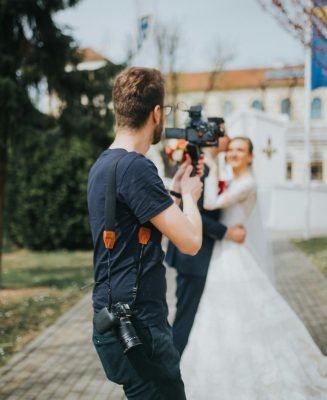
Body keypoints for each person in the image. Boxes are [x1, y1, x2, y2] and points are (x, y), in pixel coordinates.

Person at [87, 67, 204, 400]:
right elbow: (191, 242)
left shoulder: (104, 165)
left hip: (111, 321)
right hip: (140, 327)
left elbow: (141, 225)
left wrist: (177, 193)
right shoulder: (137, 167)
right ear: (156, 113)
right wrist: (192, 200)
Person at [181, 137, 327, 399]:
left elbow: (212, 202)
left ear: (250, 156)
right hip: (224, 251)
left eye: (240, 150)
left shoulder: (247, 183)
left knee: (236, 311)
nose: (234, 154)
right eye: (232, 149)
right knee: (224, 315)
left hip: (234, 255)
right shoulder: (235, 179)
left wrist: (211, 163)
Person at [165, 128, 246, 355]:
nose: (229, 137)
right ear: (213, 137)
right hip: (193, 257)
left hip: (204, 254)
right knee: (186, 317)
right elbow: (194, 213)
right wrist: (227, 232)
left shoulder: (211, 165)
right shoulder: (200, 167)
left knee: (194, 314)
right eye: (226, 133)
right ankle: (172, 366)